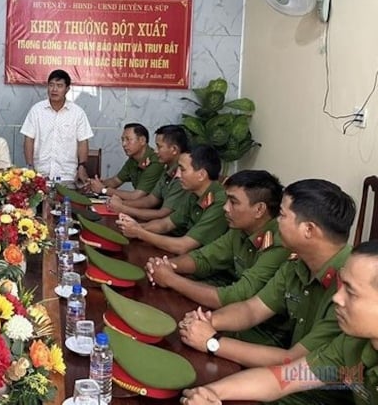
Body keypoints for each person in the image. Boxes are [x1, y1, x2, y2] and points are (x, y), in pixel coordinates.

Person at [177, 179, 354, 404]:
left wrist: (212, 342)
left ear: (308, 229)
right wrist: (208, 322)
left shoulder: (350, 287)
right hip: (296, 376)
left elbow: (292, 361)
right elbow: (252, 308)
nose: (276, 222)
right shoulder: (298, 263)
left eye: (282, 215)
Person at [182, 240, 378, 405]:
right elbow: (283, 378)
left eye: (350, 292)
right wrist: (211, 392)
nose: (337, 298)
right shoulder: (351, 343)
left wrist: (212, 342)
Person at [146, 170, 292, 346]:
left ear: (259, 209)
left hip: (265, 333)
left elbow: (236, 296)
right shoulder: (240, 230)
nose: (225, 207)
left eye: (233, 202)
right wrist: (165, 266)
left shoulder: (279, 243)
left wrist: (171, 279)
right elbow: (203, 258)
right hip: (234, 317)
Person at [116, 145, 228, 255]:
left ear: (201, 175)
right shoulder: (194, 193)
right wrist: (135, 227)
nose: (178, 175)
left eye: (182, 169)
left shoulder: (220, 202)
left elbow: (182, 246)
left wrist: (139, 233)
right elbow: (166, 224)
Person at [21, 69, 93, 183]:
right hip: (40, 175)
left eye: (59, 86)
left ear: (67, 89)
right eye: (51, 85)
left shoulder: (77, 113)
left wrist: (82, 166)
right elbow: (29, 140)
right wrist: (30, 166)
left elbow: (83, 142)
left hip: (67, 176)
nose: (54, 89)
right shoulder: (36, 110)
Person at [108, 124, 189, 221]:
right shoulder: (169, 169)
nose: (155, 151)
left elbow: (162, 214)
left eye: (159, 147)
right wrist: (121, 204)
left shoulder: (183, 175)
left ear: (174, 149)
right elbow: (150, 200)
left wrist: (123, 208)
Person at [87, 123, 163, 200]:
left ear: (142, 140)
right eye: (122, 140)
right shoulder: (133, 160)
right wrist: (94, 184)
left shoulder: (155, 162)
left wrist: (103, 189)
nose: (124, 144)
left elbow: (136, 196)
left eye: (128, 139)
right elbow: (116, 181)